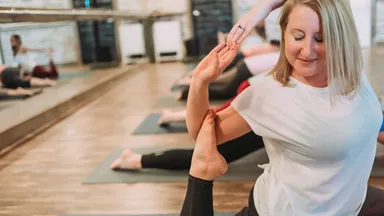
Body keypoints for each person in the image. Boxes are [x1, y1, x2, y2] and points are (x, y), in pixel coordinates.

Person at [179, 0, 384, 215]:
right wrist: (200, 83)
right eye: (298, 37)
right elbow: (202, 133)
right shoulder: (270, 95)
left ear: (341, 36)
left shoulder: (351, 73)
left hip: (349, 204)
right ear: (284, 35)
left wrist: (263, 8)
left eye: (320, 39)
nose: (307, 49)